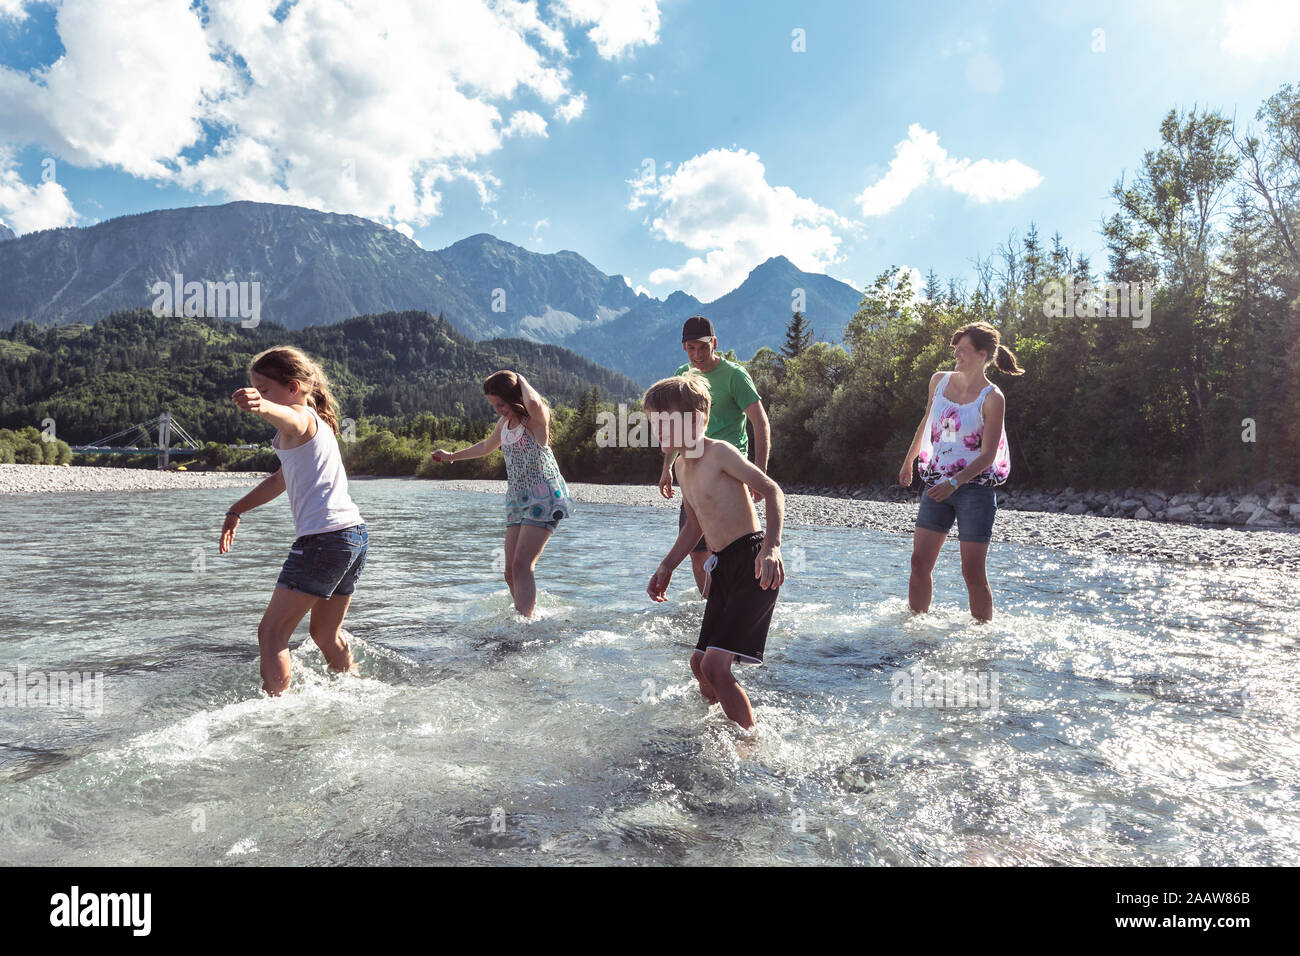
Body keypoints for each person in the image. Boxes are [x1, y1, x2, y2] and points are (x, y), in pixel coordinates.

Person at [219, 346, 367, 695]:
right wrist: (236, 509)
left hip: (323, 541)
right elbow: (280, 479)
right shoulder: (317, 430)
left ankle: (275, 710)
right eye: (256, 389)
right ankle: (351, 690)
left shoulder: (301, 419)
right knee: (324, 634)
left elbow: (289, 417)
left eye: (265, 388)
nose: (259, 395)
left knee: (272, 633)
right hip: (352, 536)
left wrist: (262, 405)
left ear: (293, 388)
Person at [645, 374, 784, 730]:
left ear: (693, 421)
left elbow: (772, 492)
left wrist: (771, 548)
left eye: (663, 423)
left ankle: (750, 740)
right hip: (722, 567)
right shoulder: (680, 466)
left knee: (714, 666)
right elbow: (694, 527)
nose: (656, 430)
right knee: (699, 664)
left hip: (753, 562)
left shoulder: (719, 453)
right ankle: (719, 722)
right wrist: (667, 566)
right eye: (653, 423)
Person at [898, 322, 1023, 621]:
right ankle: (915, 628)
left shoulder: (993, 398)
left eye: (963, 350)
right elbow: (926, 421)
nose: (956, 354)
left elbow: (988, 455)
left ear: (983, 355)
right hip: (936, 484)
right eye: (956, 348)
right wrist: (909, 460)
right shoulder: (939, 381)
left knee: (972, 573)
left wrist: (955, 482)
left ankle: (982, 638)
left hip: (974, 491)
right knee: (919, 563)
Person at [432, 370, 573, 617]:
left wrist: (520, 378)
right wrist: (452, 456)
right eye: (493, 405)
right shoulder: (504, 424)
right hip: (517, 500)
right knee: (509, 571)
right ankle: (525, 613)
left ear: (514, 396)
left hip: (544, 497)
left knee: (522, 565)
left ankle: (524, 623)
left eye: (501, 403)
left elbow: (533, 402)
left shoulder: (535, 419)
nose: (497, 409)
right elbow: (486, 447)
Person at [658, 315, 772, 595]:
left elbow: (760, 422)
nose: (696, 355)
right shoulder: (683, 374)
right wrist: (667, 468)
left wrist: (760, 473)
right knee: (696, 548)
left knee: (723, 544)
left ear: (714, 344)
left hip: (730, 469)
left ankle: (743, 596)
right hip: (693, 466)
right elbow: (675, 425)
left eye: (702, 347)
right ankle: (711, 604)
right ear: (684, 347)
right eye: (690, 348)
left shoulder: (734, 375)